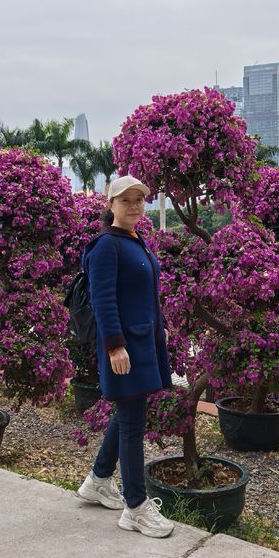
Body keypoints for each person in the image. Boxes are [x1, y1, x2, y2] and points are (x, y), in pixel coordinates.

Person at [76, 175, 175, 538]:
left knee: (129, 413)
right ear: (110, 204)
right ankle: (135, 506)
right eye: (125, 200)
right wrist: (115, 345)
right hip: (124, 345)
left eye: (139, 199)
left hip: (144, 341)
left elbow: (146, 293)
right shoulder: (105, 245)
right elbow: (103, 300)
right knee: (134, 421)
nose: (133, 205)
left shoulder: (136, 241)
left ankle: (98, 480)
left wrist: (160, 326)